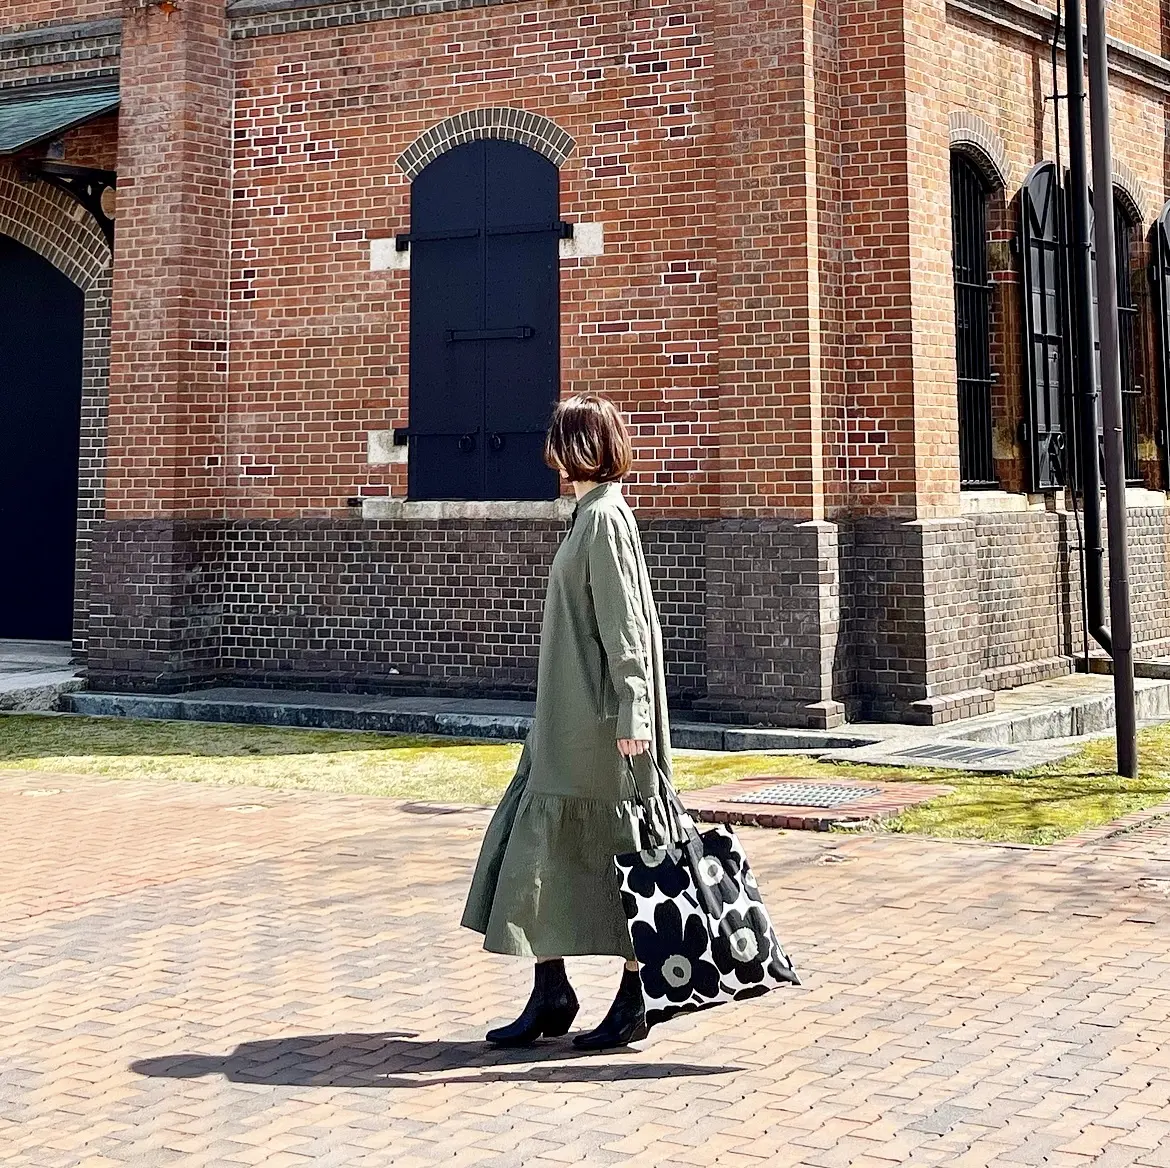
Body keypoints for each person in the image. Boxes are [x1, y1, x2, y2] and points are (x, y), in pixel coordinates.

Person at [461, 392, 683, 1051]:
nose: (549, 452)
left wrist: (635, 712)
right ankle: (551, 990)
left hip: (601, 724)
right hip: (563, 719)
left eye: (558, 439)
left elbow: (628, 630)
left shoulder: (606, 519)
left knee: (626, 856)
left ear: (579, 446)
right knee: (539, 849)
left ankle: (636, 995)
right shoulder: (586, 514)